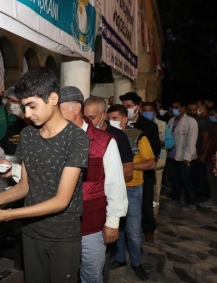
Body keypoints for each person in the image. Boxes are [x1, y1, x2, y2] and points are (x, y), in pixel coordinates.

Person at [0, 67, 89, 283]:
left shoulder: (76, 138)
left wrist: (4, 215)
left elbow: (61, 201)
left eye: (32, 106)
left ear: (52, 98)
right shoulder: (28, 135)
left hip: (62, 237)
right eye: (24, 107)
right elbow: (24, 186)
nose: (27, 114)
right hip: (31, 231)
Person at [59, 87, 127, 283]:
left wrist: (112, 223)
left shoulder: (104, 141)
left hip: (91, 226)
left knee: (91, 275)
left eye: (59, 109)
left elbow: (115, 184)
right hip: (61, 224)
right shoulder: (55, 138)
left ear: (76, 108)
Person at [83, 96, 134, 283]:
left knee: (96, 266)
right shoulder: (80, 136)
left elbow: (127, 172)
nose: (88, 121)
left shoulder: (116, 137)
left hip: (108, 202)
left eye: (92, 117)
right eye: (84, 116)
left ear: (103, 115)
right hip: (88, 209)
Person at [107, 104, 155, 281]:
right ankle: (120, 258)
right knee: (116, 226)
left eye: (115, 119)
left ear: (124, 119)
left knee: (133, 231)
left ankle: (136, 262)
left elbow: (151, 163)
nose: (111, 122)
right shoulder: (107, 136)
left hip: (133, 188)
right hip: (113, 188)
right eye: (109, 118)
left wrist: (127, 166)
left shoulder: (138, 137)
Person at [119, 92, 160, 243]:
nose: (126, 109)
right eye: (124, 107)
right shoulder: (118, 125)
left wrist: (137, 162)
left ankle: (149, 229)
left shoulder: (149, 126)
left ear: (138, 106)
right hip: (125, 176)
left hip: (145, 172)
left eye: (129, 106)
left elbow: (154, 152)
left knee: (146, 202)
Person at [141, 102, 175, 218]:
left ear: (155, 112)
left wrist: (162, 143)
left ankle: (154, 213)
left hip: (158, 163)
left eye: (150, 110)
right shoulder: (138, 124)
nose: (147, 113)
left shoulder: (162, 124)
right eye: (145, 110)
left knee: (156, 189)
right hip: (142, 163)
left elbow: (171, 142)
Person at [166, 99, 198, 211]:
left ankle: (191, 202)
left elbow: (192, 141)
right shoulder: (171, 121)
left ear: (183, 108)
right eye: (173, 107)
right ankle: (175, 199)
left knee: (186, 180)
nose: (175, 109)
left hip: (184, 157)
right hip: (172, 155)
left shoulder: (191, 121)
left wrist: (187, 157)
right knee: (174, 179)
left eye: (177, 107)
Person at [0, 86, 29, 157]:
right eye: (13, 101)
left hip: (24, 153)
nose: (17, 104)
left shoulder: (26, 110)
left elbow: (35, 128)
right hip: (5, 155)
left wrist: (23, 117)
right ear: (7, 99)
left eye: (19, 102)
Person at [199, 106, 217, 210]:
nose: (212, 116)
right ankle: (213, 199)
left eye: (214, 114)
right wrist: (205, 153)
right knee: (211, 179)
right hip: (211, 157)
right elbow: (210, 140)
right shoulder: (213, 126)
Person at [192, 100, 211, 197]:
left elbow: (206, 138)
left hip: (201, 151)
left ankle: (203, 193)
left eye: (198, 108)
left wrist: (202, 152)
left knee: (202, 173)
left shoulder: (203, 121)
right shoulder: (196, 120)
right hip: (197, 152)